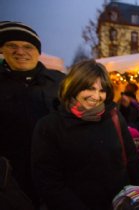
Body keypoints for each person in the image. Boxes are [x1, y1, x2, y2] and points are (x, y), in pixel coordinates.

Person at [31, 60, 139, 210]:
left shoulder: (114, 117)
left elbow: (131, 160)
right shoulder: (49, 126)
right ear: (74, 87)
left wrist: (136, 199)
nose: (96, 96)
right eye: (89, 88)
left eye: (102, 90)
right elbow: (48, 182)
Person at [0, 21, 65, 207]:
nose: (20, 52)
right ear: (2, 49)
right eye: (12, 45)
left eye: (28, 46)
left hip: (56, 172)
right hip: (11, 178)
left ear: (38, 51)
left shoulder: (60, 82)